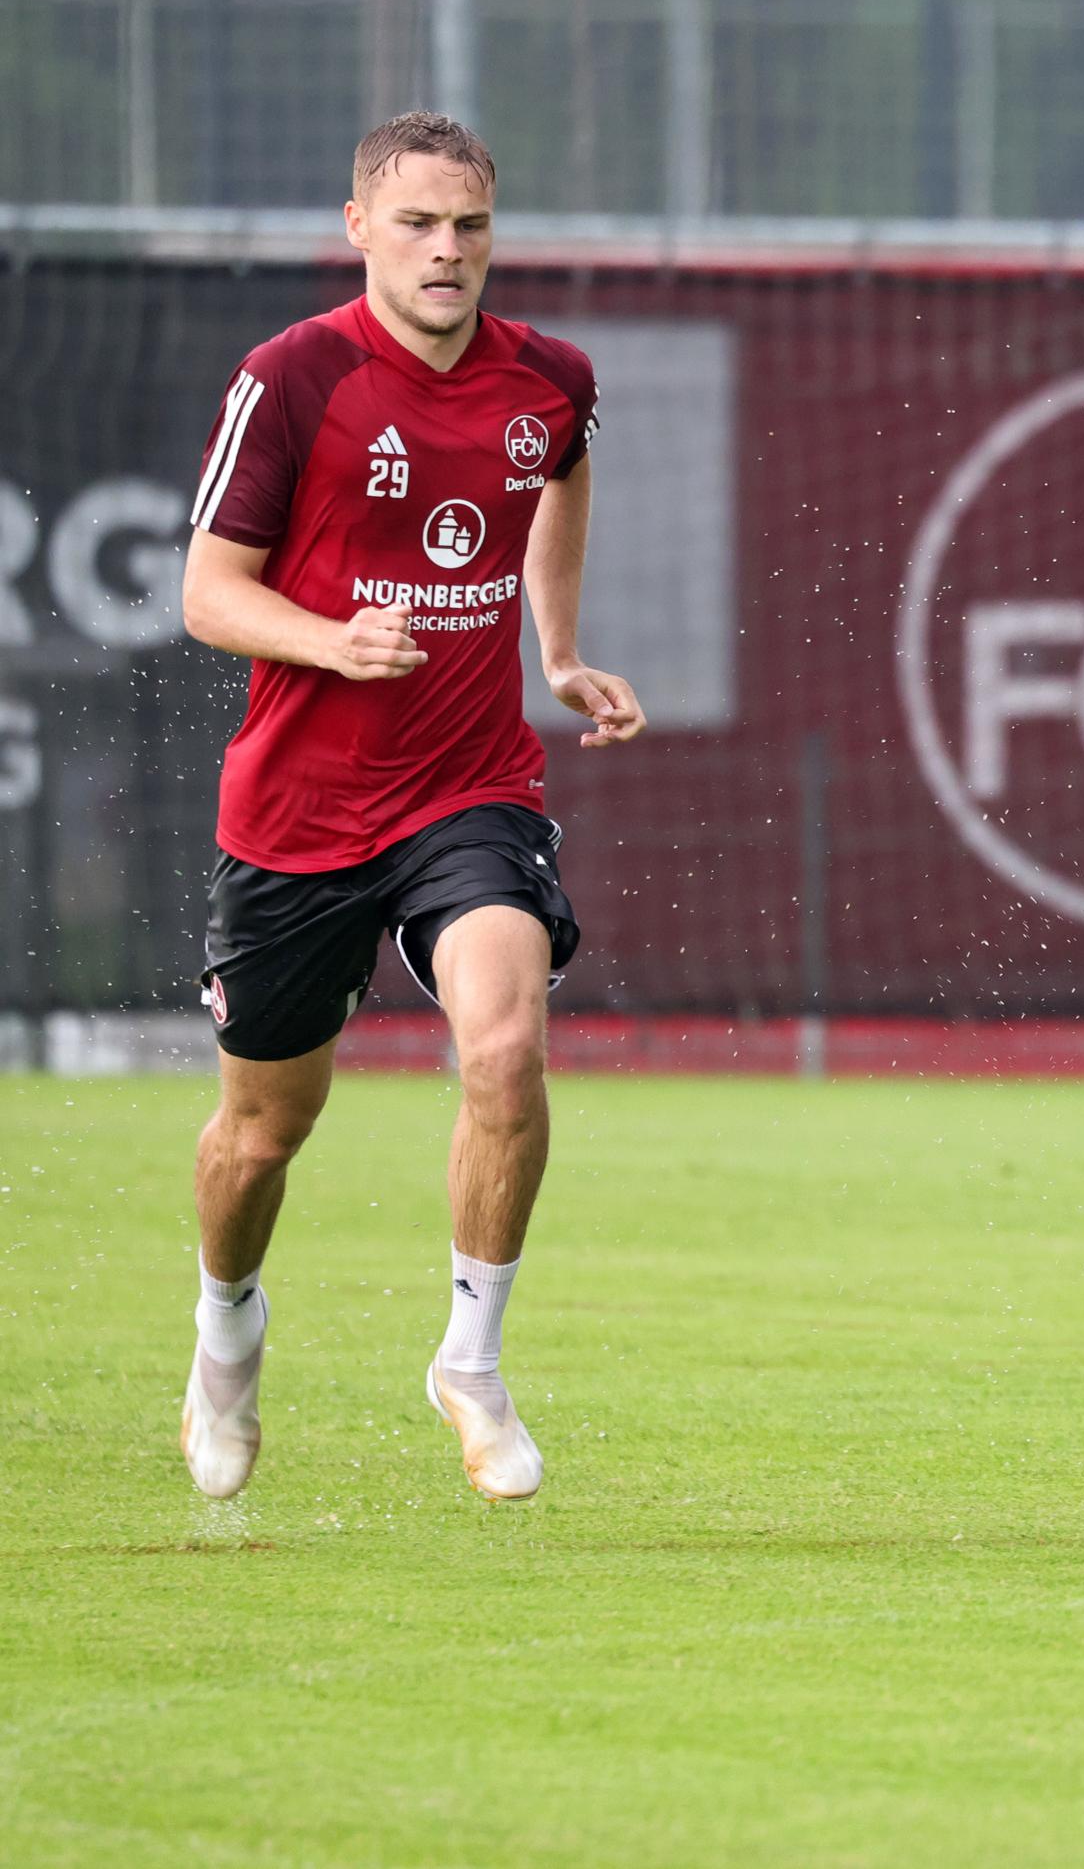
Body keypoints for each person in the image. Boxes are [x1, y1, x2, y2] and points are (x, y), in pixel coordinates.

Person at [177, 112, 646, 1503]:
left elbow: (559, 479)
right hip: (297, 813)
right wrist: (330, 639)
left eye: (472, 226)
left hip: (468, 786)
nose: (449, 252)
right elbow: (207, 592)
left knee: (505, 1050)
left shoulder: (551, 379)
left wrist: (557, 651)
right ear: (359, 228)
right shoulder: (294, 377)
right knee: (263, 1135)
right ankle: (226, 1331)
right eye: (421, 224)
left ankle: (473, 1362)